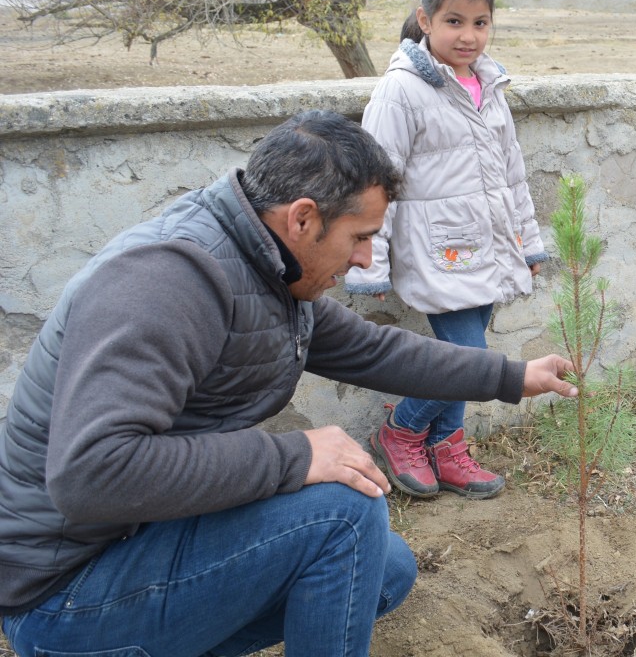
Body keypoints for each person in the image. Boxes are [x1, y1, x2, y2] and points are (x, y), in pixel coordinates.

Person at [0, 110, 577, 657]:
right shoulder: (167, 281)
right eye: (360, 236)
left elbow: (371, 349)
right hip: (63, 595)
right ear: (302, 218)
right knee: (343, 513)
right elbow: (89, 473)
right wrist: (292, 456)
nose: (366, 257)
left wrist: (511, 376)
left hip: (138, 540)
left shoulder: (268, 268)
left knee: (384, 569)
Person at [345, 0, 545, 501]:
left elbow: (513, 175)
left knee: (464, 356)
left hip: (492, 245)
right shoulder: (402, 90)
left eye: (480, 23)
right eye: (454, 21)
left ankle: (446, 446)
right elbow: (374, 180)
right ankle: (403, 431)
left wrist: (528, 242)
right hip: (440, 250)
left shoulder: (488, 84)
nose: (468, 35)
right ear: (425, 20)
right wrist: (372, 260)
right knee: (471, 359)